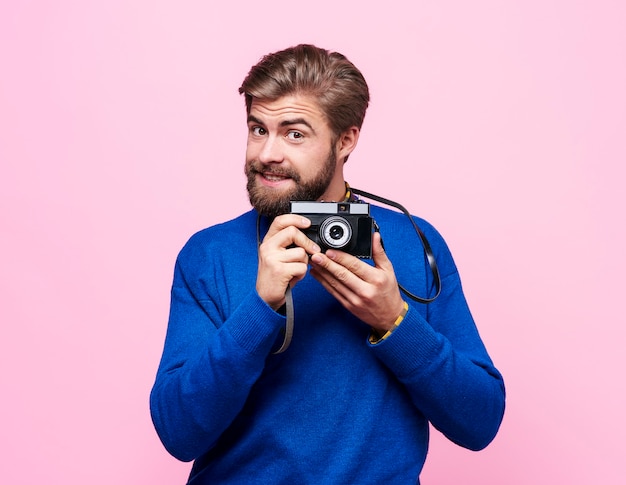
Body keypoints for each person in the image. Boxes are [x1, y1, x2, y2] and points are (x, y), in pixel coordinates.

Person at [150, 44, 505, 484]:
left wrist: (394, 321)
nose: (266, 154)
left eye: (294, 134)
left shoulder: (414, 244)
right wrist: (259, 308)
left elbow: (481, 421)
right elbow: (178, 433)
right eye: (258, 129)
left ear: (346, 140)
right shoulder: (209, 254)